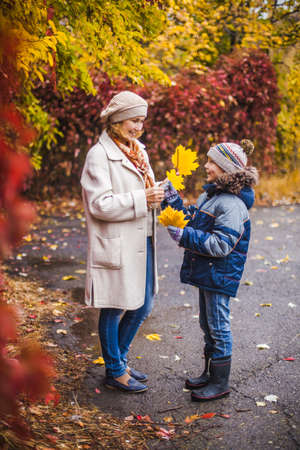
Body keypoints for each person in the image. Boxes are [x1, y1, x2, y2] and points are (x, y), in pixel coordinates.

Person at [80, 91, 165, 393]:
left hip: (144, 237)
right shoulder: (99, 156)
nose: (139, 127)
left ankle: (119, 362)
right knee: (115, 306)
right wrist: (143, 197)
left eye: (142, 120)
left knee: (143, 305)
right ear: (116, 120)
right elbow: (99, 204)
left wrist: (159, 194)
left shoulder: (138, 150)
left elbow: (145, 189)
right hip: (117, 241)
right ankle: (115, 370)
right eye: (134, 120)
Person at [163, 140, 258, 401]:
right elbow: (192, 219)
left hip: (220, 273)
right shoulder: (211, 195)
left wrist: (184, 236)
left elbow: (222, 245)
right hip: (208, 271)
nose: (206, 165)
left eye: (211, 162)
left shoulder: (231, 204)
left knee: (218, 326)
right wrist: (172, 201)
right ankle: (208, 373)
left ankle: (220, 382)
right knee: (207, 324)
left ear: (226, 168)